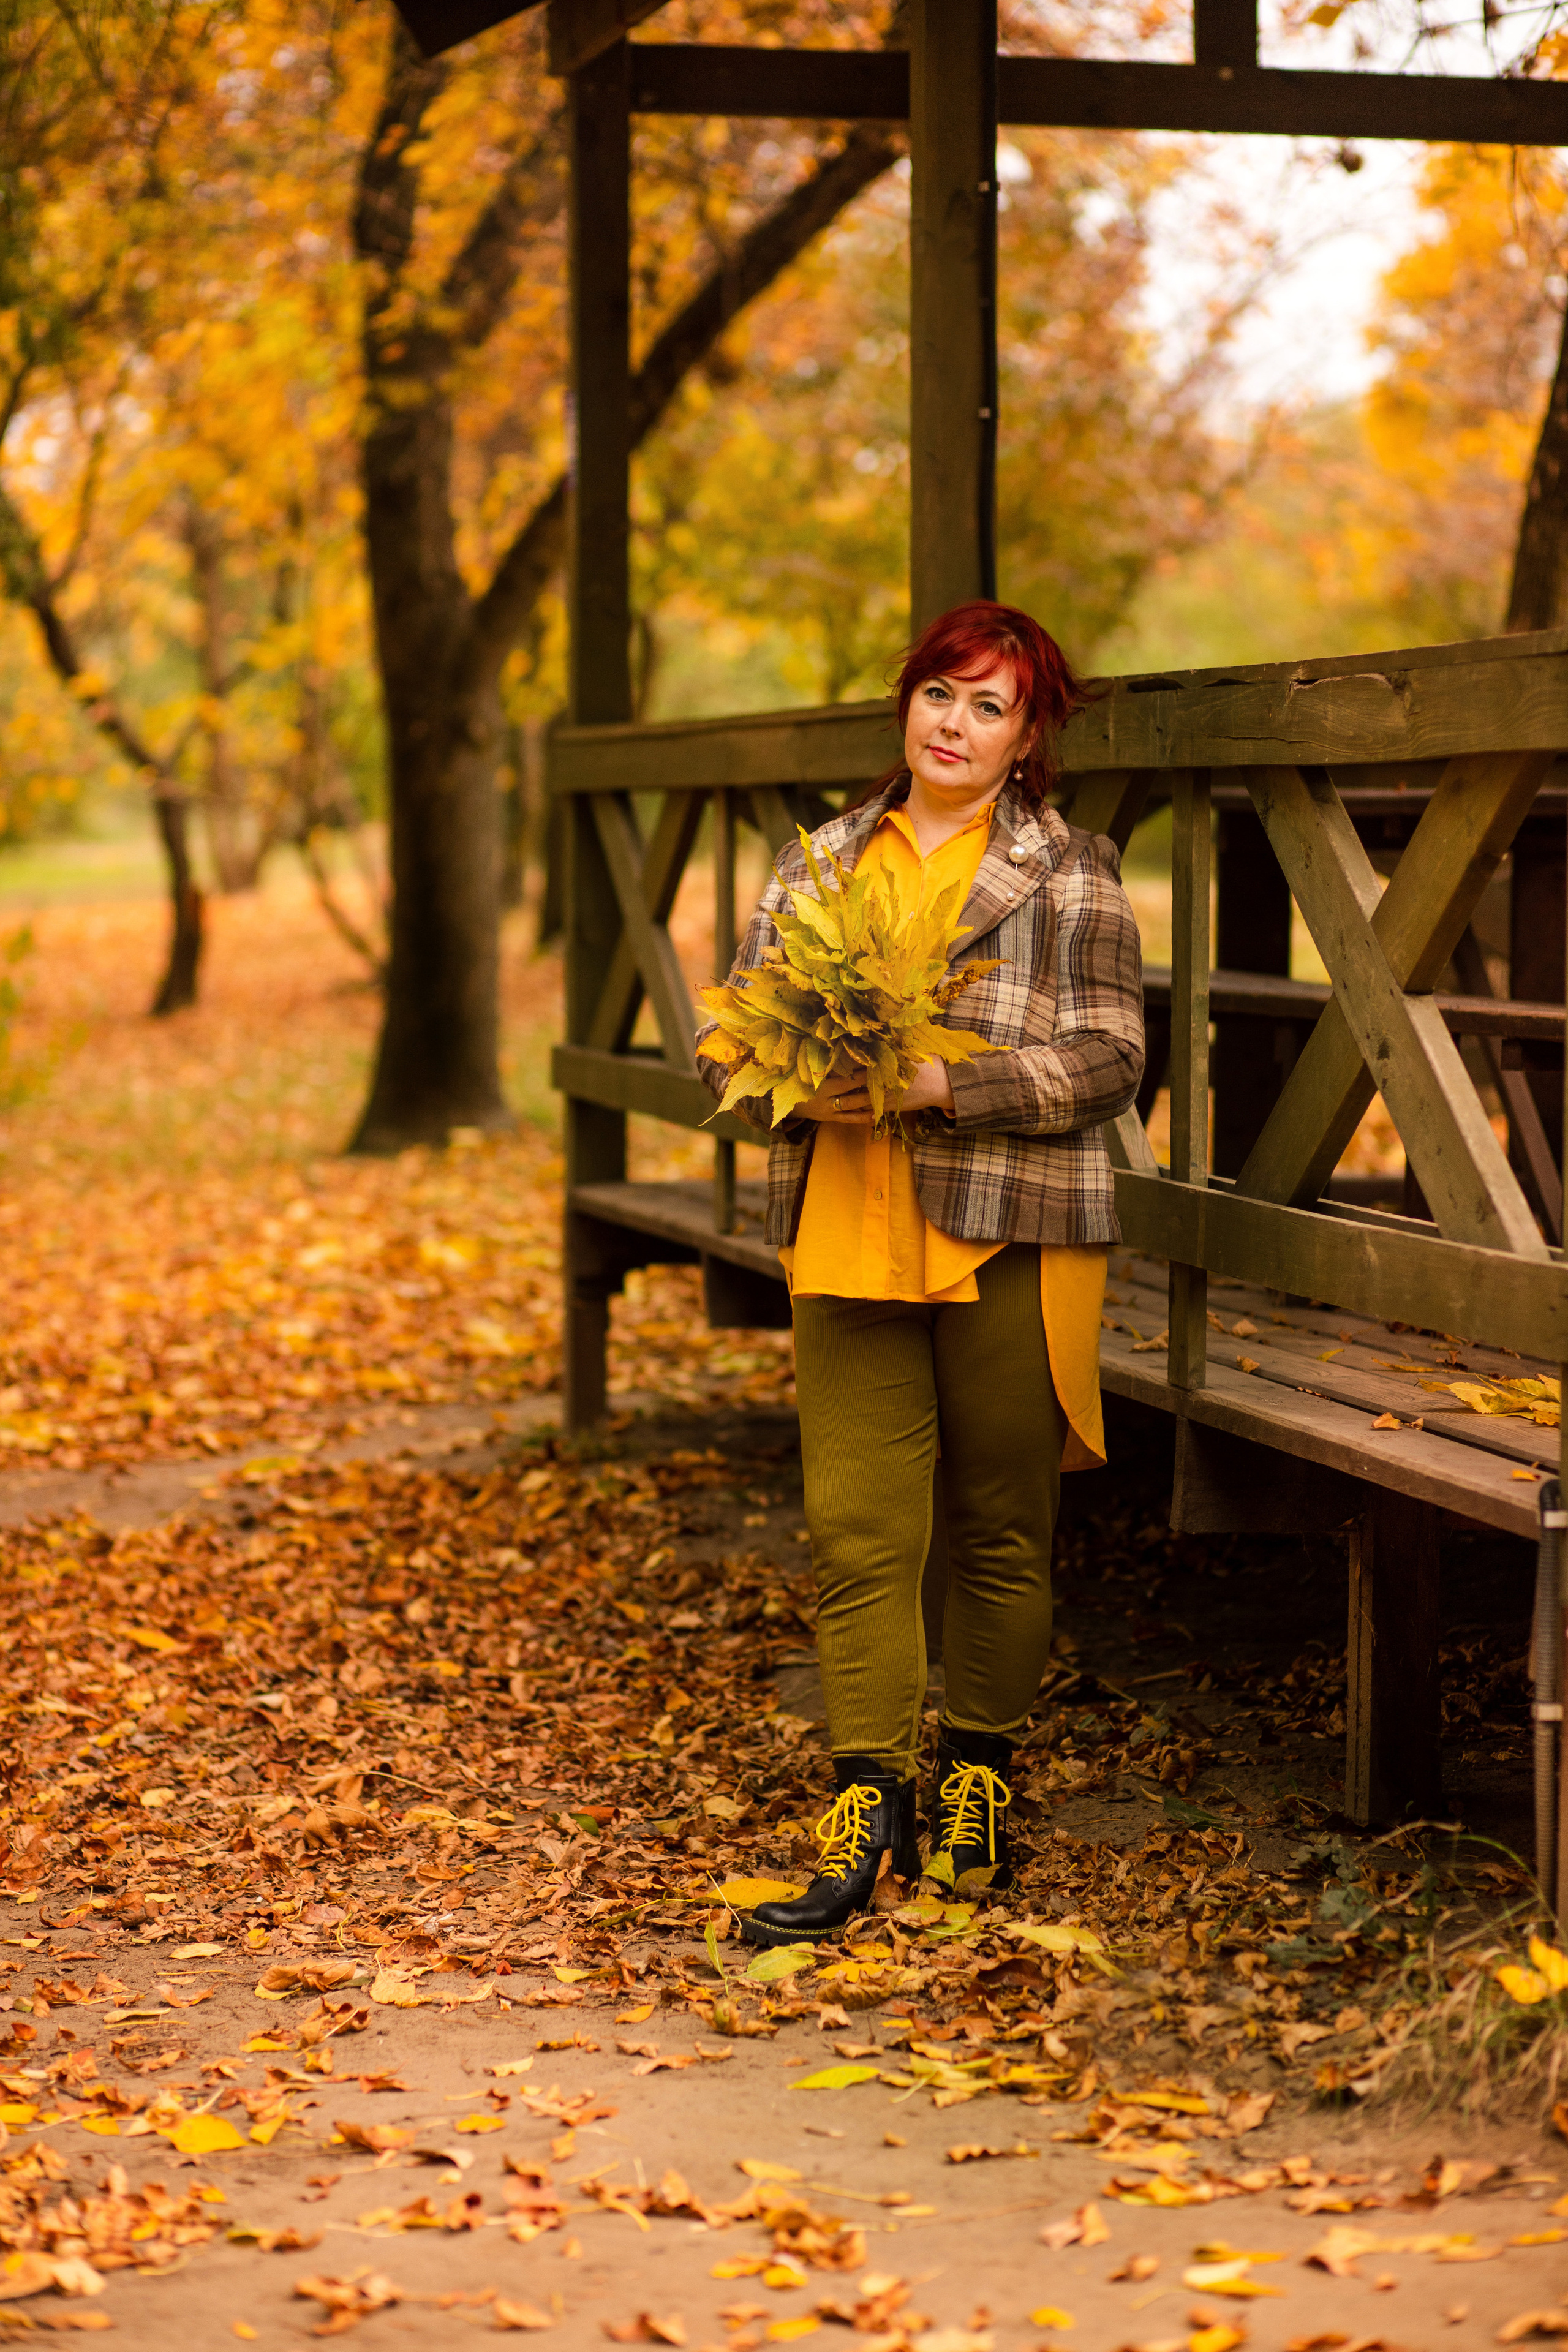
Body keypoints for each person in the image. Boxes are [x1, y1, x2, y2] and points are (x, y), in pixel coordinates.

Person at [695, 600, 1145, 1947]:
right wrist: (786, 1085)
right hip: (845, 1227)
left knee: (998, 1529)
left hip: (1009, 1228)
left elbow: (1116, 1058)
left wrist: (956, 1085)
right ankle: (863, 1811)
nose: (954, 725)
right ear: (907, 705)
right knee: (855, 1537)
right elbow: (727, 1044)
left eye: (987, 707)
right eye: (939, 695)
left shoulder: (1071, 872)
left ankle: (978, 1785)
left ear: (1026, 739)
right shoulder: (820, 861)